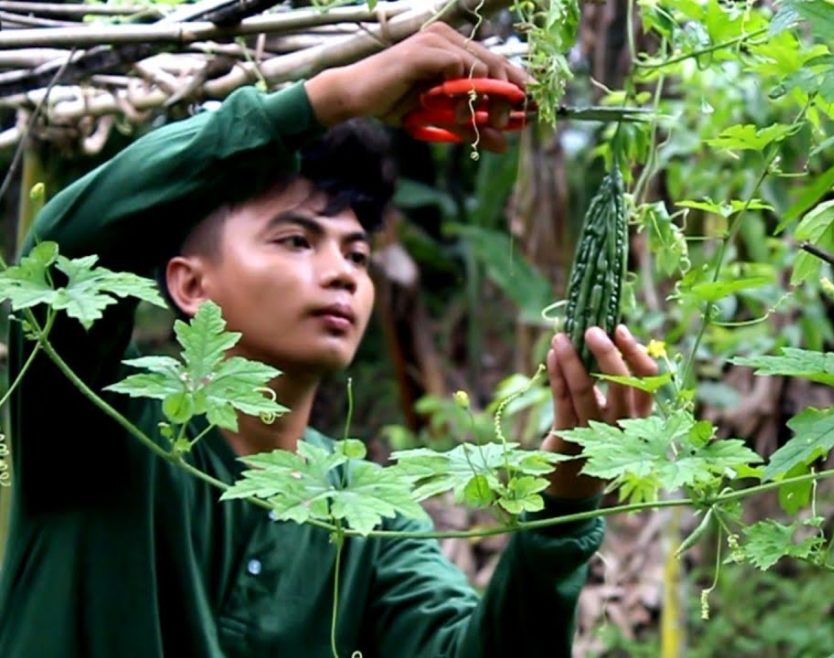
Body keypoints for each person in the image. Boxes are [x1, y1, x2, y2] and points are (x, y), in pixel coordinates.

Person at [0, 22, 657, 657]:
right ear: (189, 285)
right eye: (296, 240)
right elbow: (61, 258)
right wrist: (324, 100)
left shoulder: (366, 514)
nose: (341, 270)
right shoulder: (99, 419)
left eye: (359, 254)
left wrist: (567, 496)